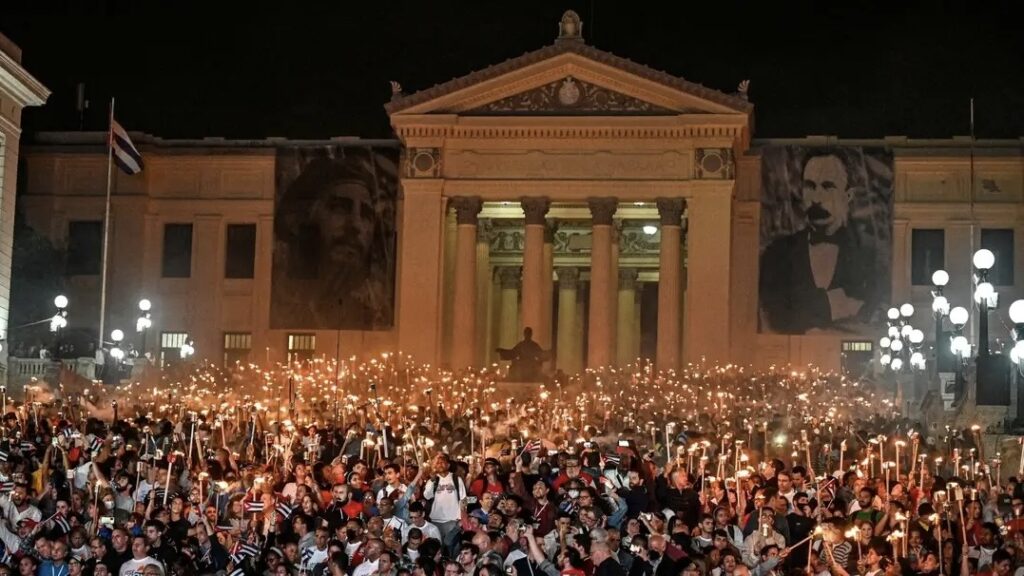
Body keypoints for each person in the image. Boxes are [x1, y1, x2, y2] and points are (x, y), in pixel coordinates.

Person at [272, 149, 397, 330]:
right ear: (304, 218)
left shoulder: (369, 317)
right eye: (340, 208)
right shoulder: (277, 302)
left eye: (366, 215)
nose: (356, 225)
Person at [759, 150, 879, 333]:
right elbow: (775, 316)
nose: (816, 198)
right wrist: (835, 304)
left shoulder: (870, 256)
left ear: (848, 196)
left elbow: (873, 318)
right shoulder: (777, 254)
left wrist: (803, 307)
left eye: (827, 187)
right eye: (810, 187)